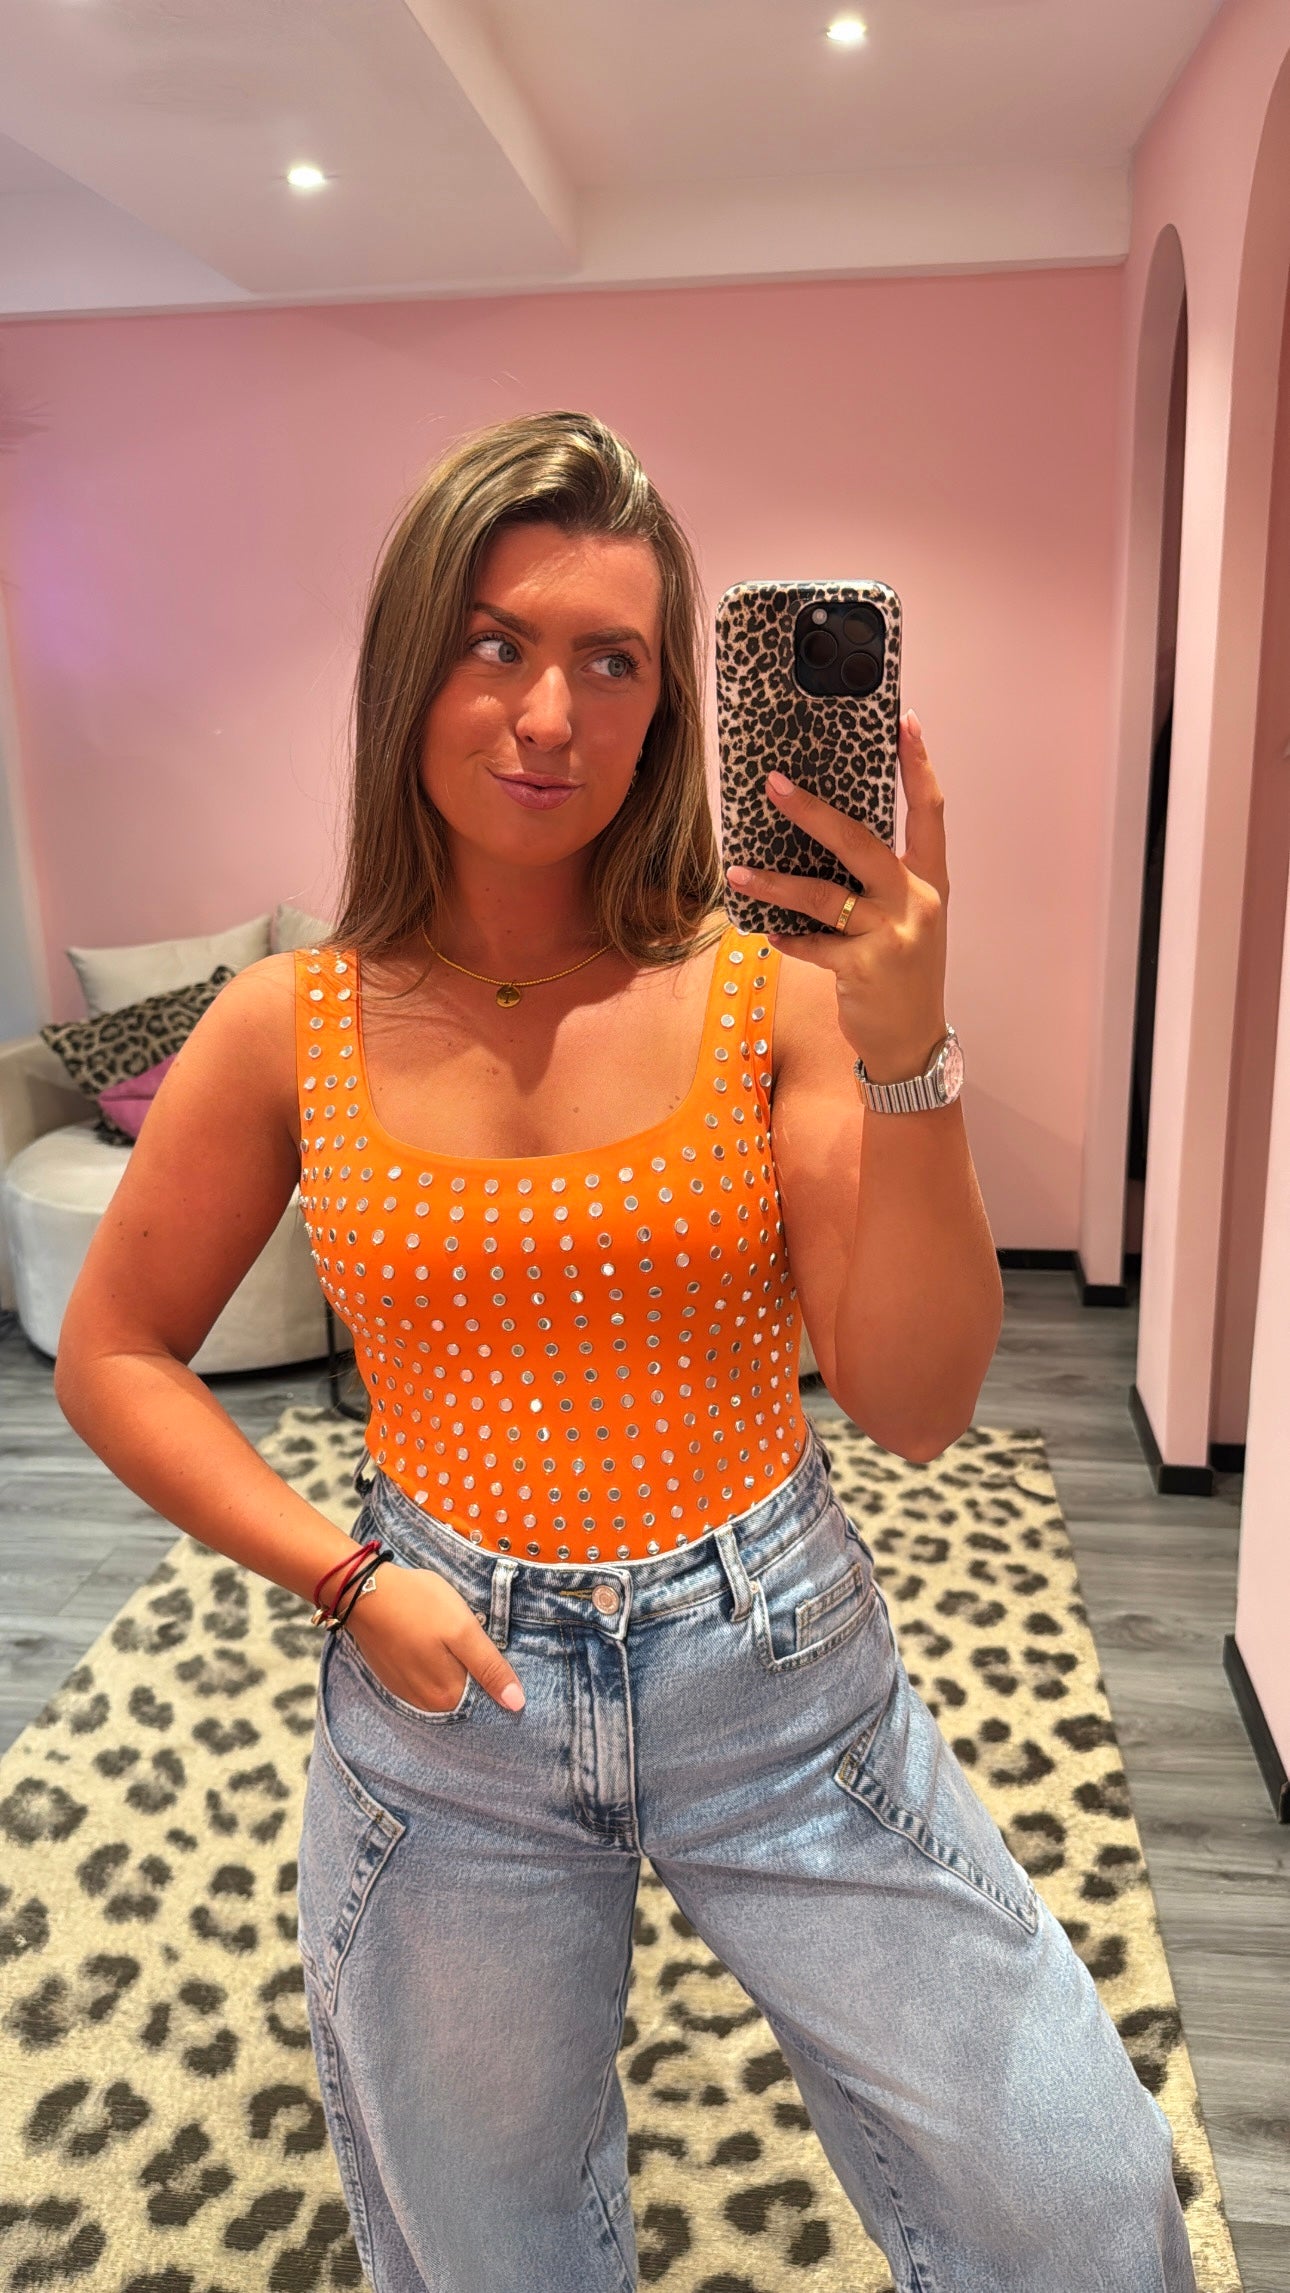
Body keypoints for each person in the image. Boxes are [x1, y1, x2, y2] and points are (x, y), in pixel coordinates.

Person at [55, 410, 1196, 2293]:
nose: (547, 715)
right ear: (408, 666)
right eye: (493, 643)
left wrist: (908, 1052)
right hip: (451, 1705)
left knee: (1076, 2207)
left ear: (672, 703)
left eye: (611, 660)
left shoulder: (766, 992)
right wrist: (343, 1577)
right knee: (488, 2247)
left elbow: (915, 1407)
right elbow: (116, 1351)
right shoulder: (286, 1022)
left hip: (775, 1675)